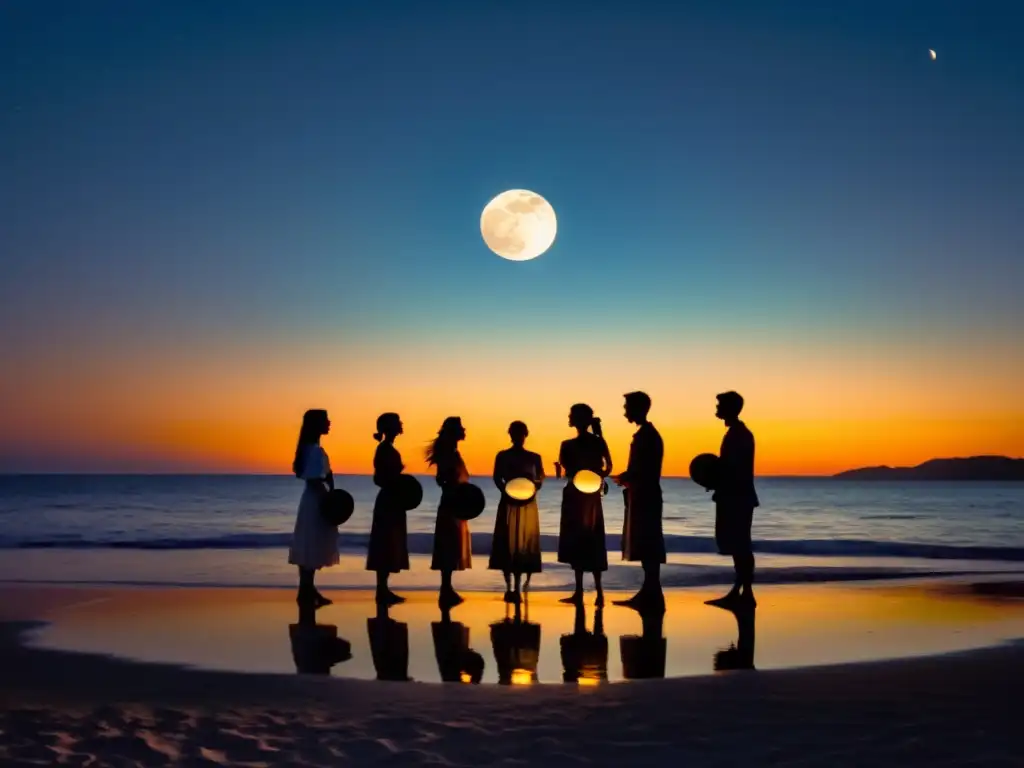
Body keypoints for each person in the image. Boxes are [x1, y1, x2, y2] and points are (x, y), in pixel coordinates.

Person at [707, 391, 760, 607]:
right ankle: (741, 591)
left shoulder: (739, 434)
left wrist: (718, 481)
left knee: (741, 546)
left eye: (720, 405)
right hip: (736, 496)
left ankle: (745, 593)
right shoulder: (737, 433)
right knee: (739, 546)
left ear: (730, 408)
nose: (716, 408)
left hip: (738, 497)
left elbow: (734, 469)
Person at [613, 391, 666, 609]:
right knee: (646, 544)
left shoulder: (647, 436)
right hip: (643, 493)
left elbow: (644, 469)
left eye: (627, 406)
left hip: (646, 495)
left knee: (648, 544)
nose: (625, 411)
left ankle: (652, 593)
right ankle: (650, 592)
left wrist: (626, 477)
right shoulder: (646, 434)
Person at [557, 404, 612, 606]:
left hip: (577, 494)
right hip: (589, 495)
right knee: (591, 538)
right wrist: (596, 477)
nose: (570, 418)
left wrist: (586, 475)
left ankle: (581, 591)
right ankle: (597, 593)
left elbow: (568, 470)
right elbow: (608, 468)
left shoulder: (568, 445)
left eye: (572, 415)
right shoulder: (597, 442)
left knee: (582, 538)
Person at [287, 409, 337, 607]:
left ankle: (306, 589)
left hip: (310, 499)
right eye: (326, 420)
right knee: (312, 543)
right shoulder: (314, 450)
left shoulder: (309, 448)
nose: (329, 423)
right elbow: (315, 479)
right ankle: (307, 590)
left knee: (309, 543)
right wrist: (329, 500)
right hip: (316, 499)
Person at [489, 421, 544, 604]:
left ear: (525, 435)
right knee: (507, 542)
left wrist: (532, 489)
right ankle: (509, 588)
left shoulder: (535, 457)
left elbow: (540, 479)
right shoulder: (502, 456)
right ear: (510, 434)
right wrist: (506, 490)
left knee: (523, 543)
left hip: (527, 502)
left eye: (520, 433)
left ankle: (518, 586)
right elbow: (497, 477)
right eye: (514, 432)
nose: (517, 436)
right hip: (509, 501)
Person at [426, 416, 473, 607]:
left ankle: (447, 588)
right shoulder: (448, 453)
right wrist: (452, 484)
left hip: (455, 501)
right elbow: (441, 479)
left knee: (452, 545)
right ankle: (445, 590)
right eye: (461, 427)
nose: (465, 430)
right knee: (448, 544)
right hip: (451, 502)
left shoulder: (452, 451)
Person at [367, 412, 410, 606]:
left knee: (389, 543)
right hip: (388, 500)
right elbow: (378, 478)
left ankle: (383, 590)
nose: (401, 424)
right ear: (390, 427)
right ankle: (381, 591)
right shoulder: (384, 449)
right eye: (398, 422)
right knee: (384, 544)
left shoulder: (388, 448)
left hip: (393, 500)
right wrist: (395, 481)